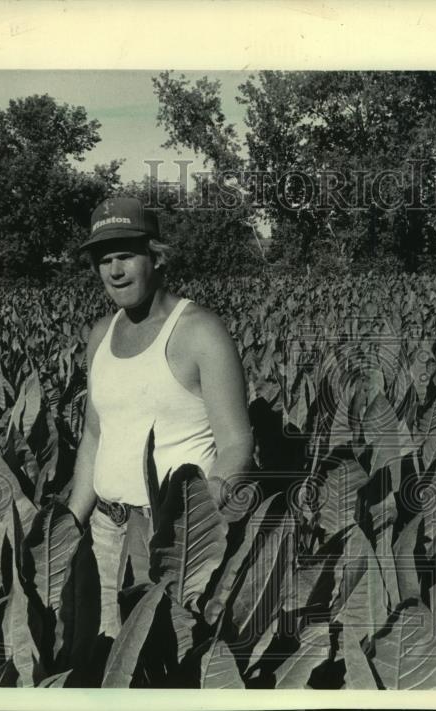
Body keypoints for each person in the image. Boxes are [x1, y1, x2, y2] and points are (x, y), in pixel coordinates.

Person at [66, 196, 254, 638]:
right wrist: (70, 524)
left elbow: (236, 442)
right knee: (108, 661)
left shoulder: (199, 331)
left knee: (170, 667)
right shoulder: (100, 334)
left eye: (126, 256)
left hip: (172, 538)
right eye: (104, 260)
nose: (114, 271)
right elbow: (94, 436)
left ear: (155, 255)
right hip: (105, 533)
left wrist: (196, 523)